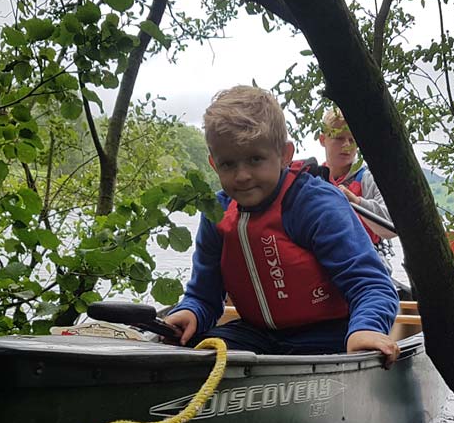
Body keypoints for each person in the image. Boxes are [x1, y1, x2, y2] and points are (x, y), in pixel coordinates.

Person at [163, 86, 400, 365]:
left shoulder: (316, 204)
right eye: (228, 164)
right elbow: (204, 296)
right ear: (214, 165)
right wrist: (190, 311)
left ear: (285, 154)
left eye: (255, 159)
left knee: (353, 337)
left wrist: (366, 329)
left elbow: (371, 285)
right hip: (257, 334)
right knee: (191, 346)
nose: (241, 176)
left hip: (331, 334)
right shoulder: (217, 213)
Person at [317, 107, 397, 246]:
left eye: (352, 140)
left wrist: (356, 202)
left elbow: (392, 226)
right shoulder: (314, 180)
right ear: (323, 140)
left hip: (366, 259)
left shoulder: (369, 179)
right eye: (339, 138)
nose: (346, 145)